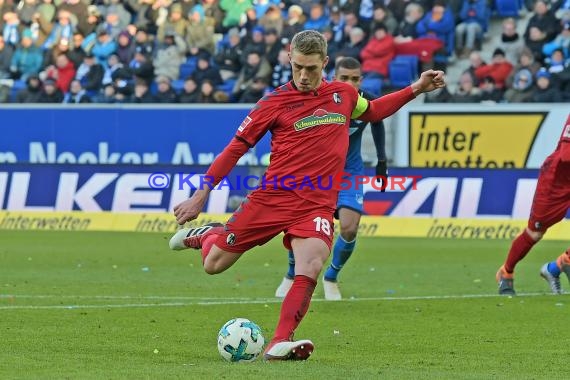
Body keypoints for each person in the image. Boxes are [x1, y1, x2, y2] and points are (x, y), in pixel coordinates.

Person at [169, 30, 445, 360]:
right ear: (289, 59)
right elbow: (235, 148)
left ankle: (279, 343)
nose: (303, 75)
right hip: (272, 199)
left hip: (315, 204)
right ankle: (209, 235)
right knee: (213, 265)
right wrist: (201, 194)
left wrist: (416, 88)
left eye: (311, 68)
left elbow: (372, 111)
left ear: (325, 63)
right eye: (297, 66)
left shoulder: (344, 94)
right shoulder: (272, 103)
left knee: (311, 263)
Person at [274, 56, 388, 301]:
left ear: (361, 79)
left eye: (355, 79)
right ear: (333, 77)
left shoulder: (365, 101)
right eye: (344, 78)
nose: (350, 83)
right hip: (318, 171)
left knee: (349, 227)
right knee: (299, 225)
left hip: (350, 171)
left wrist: (381, 161)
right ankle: (292, 272)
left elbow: (377, 121)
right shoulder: (320, 97)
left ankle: (331, 277)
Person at [496, 113, 570, 295]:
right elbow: (567, 156)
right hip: (557, 180)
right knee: (535, 233)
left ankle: (560, 265)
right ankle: (506, 272)